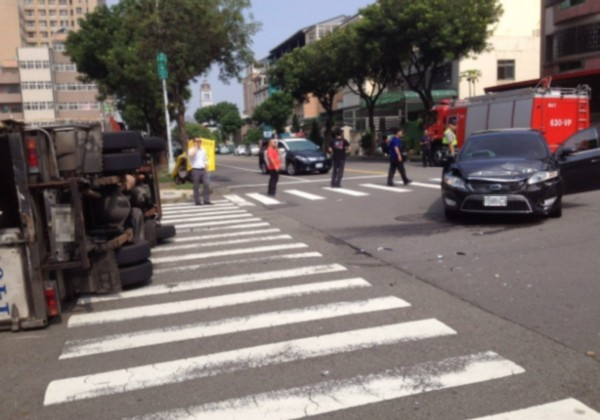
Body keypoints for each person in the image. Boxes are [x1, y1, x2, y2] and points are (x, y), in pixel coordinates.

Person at [188, 137, 212, 205]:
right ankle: (197, 201)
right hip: (195, 170)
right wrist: (196, 147)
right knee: (196, 186)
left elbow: (205, 159)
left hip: (203, 169)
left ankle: (206, 200)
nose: (199, 142)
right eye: (197, 141)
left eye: (200, 141)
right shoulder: (191, 150)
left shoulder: (203, 150)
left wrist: (206, 168)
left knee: (206, 184)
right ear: (194, 142)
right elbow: (192, 155)